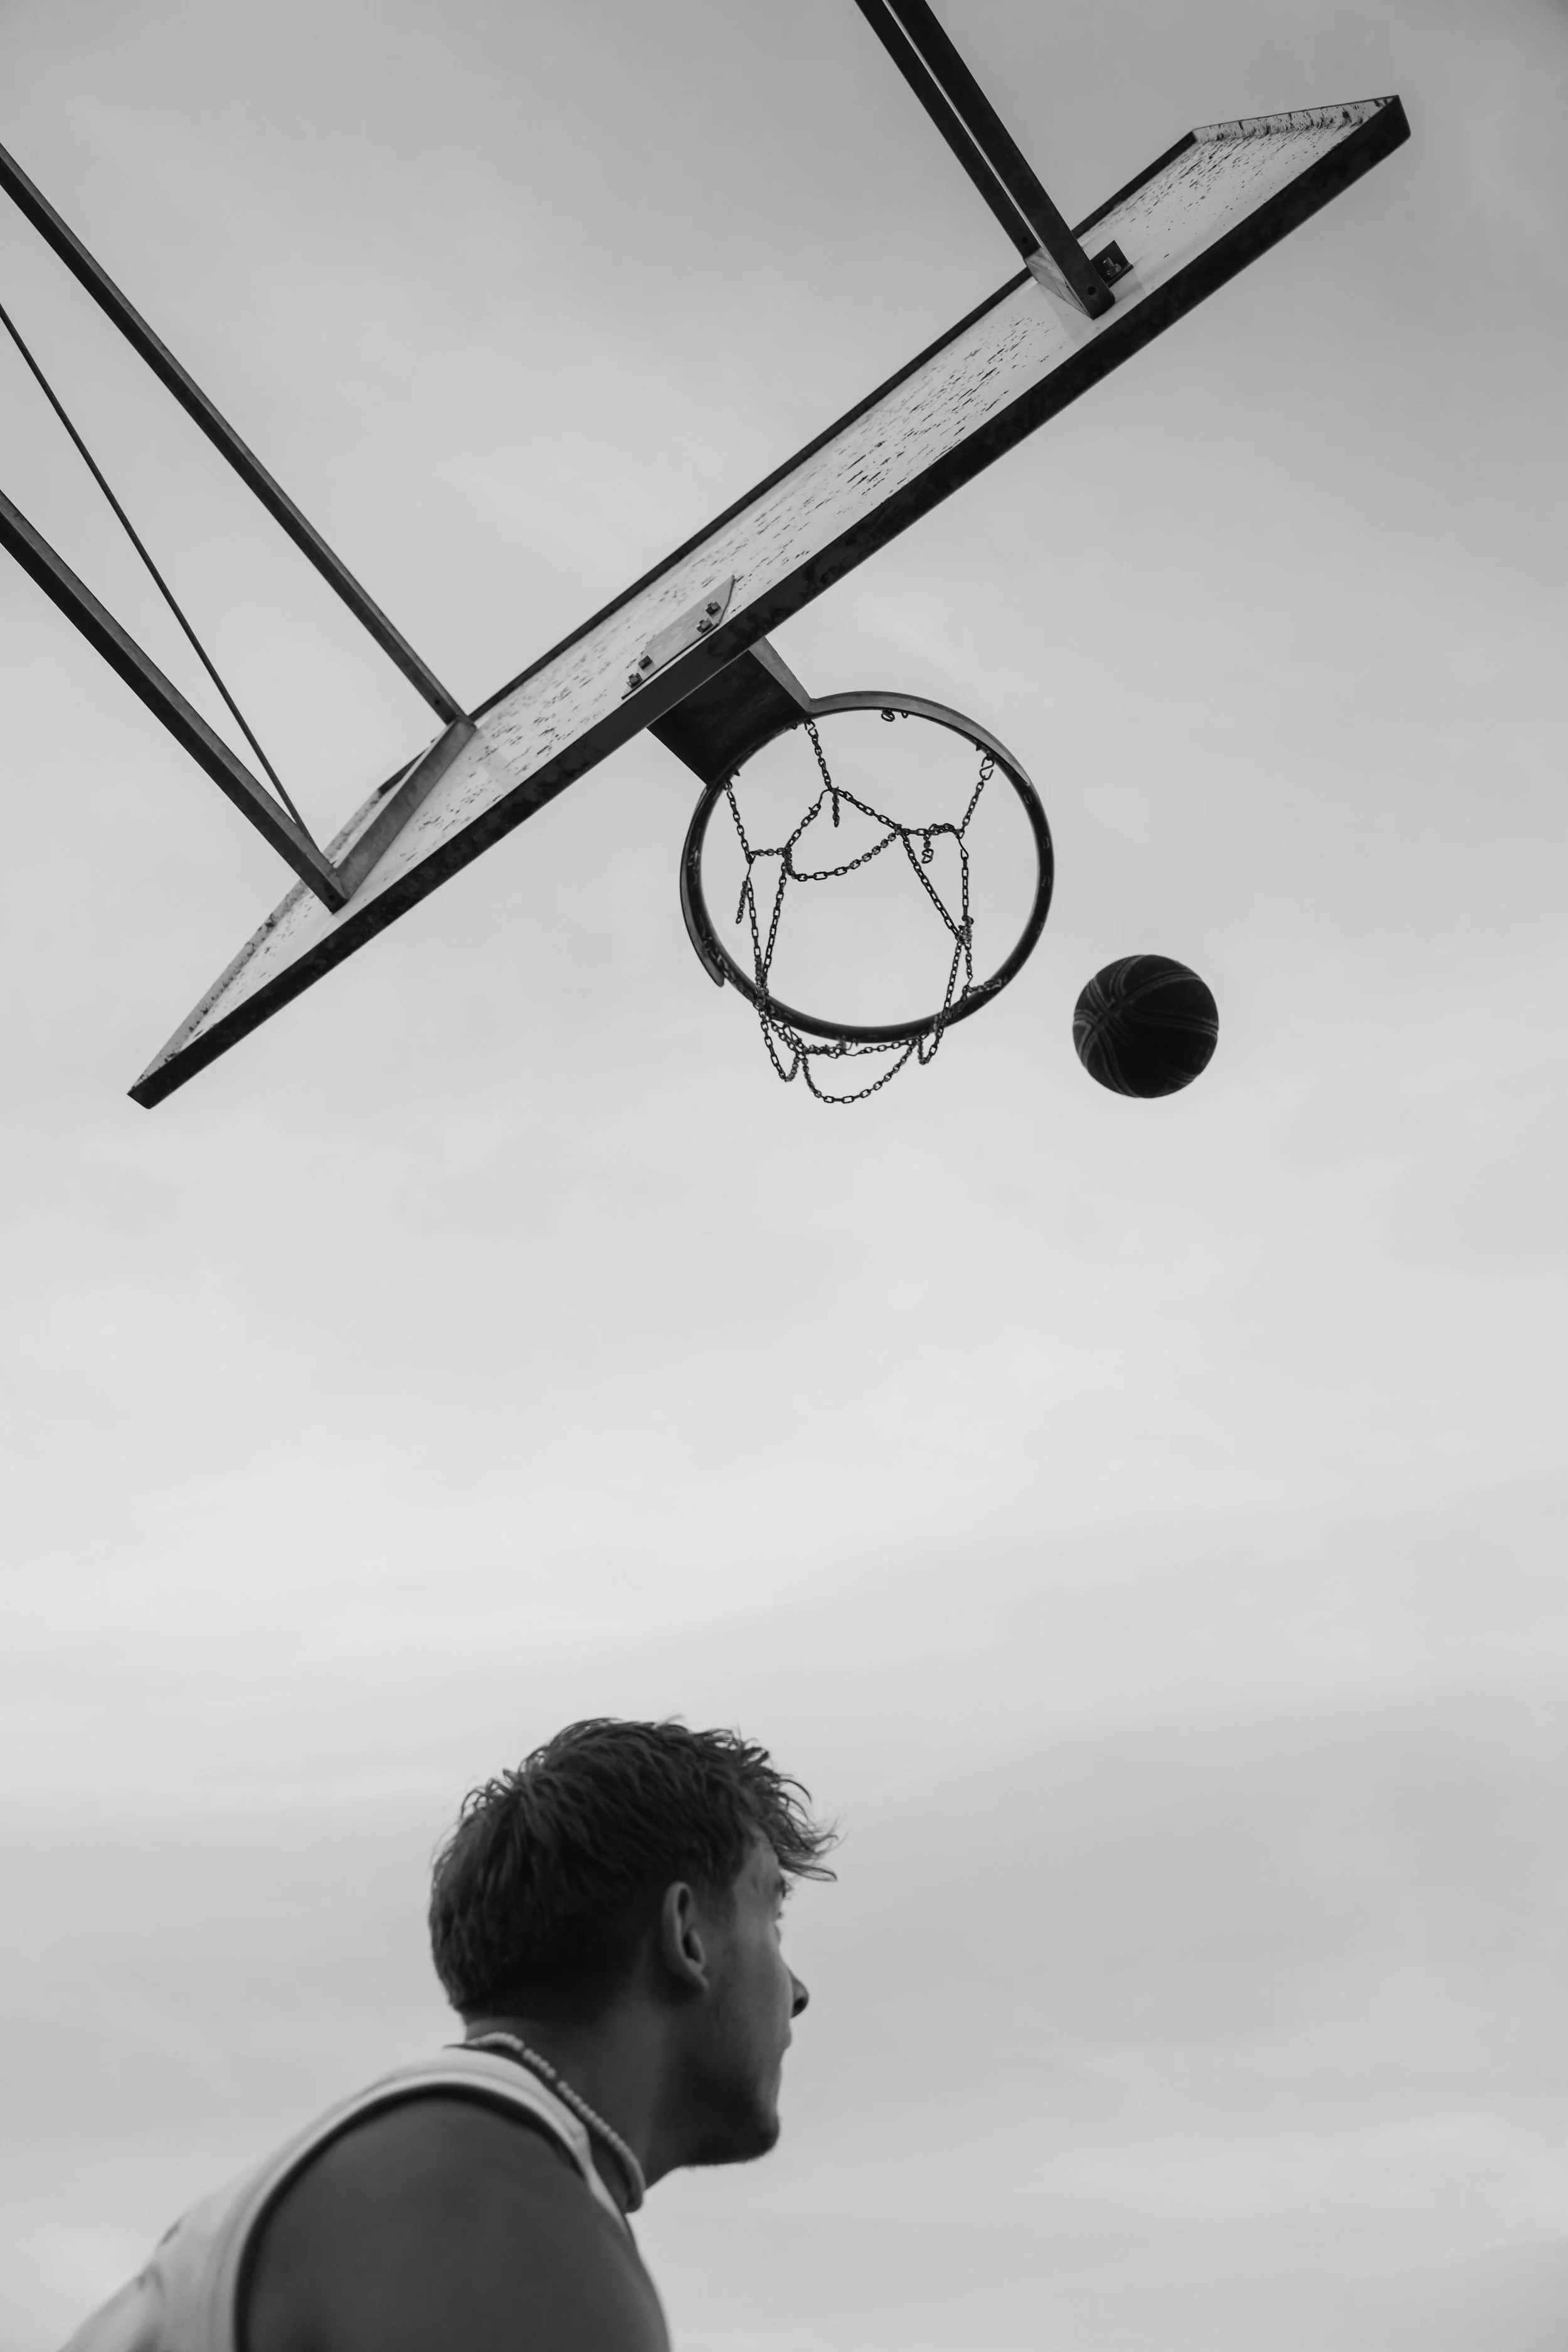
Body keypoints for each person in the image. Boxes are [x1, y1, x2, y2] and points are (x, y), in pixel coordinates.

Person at [61, 1718, 835, 2352]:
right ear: (687, 1936)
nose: (796, 1991)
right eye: (771, 1917)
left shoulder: (457, 2167)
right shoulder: (499, 2215)